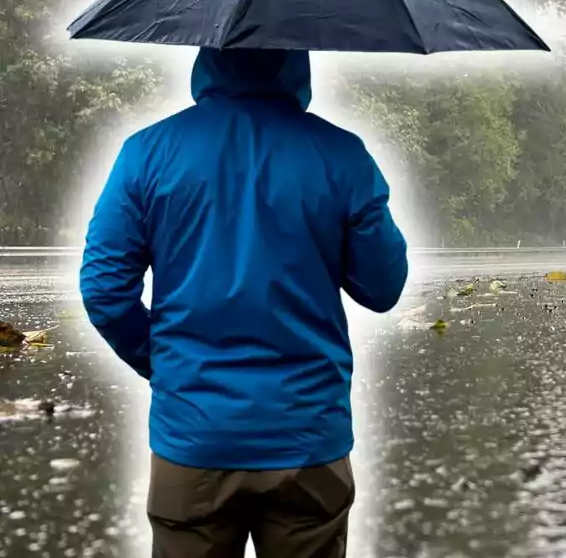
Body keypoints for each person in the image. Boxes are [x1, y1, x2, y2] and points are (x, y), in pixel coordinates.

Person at [80, 48, 409, 558]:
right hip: (307, 435)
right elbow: (383, 287)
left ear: (209, 53)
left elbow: (104, 289)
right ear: (293, 59)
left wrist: (166, 363)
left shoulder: (146, 153)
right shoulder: (341, 155)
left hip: (193, 435)